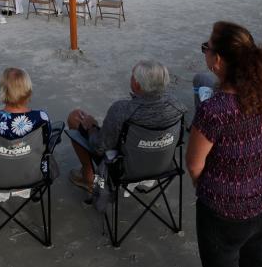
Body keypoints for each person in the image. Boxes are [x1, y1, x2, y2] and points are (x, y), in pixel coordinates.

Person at [186, 22, 262, 267]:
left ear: (217, 60)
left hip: (223, 214)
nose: (204, 51)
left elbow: (194, 165)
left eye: (206, 47)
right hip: (260, 203)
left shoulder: (213, 111)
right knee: (255, 262)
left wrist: (211, 188)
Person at [66, 60, 185, 193]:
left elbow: (99, 148)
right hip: (164, 166)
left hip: (126, 170)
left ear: (137, 85)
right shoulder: (177, 106)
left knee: (75, 117)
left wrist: (91, 127)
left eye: (132, 76)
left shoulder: (122, 110)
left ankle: (88, 178)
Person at [0, 68, 50, 139]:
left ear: (4, 91)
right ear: (28, 91)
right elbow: (47, 141)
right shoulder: (41, 118)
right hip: (32, 150)